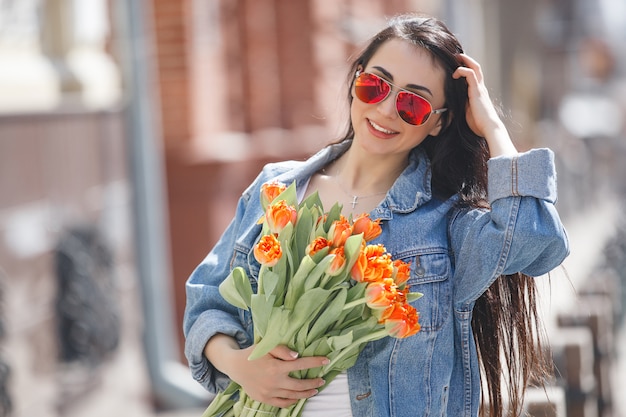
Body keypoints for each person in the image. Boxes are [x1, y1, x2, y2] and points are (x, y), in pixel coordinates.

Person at [183, 13, 569, 417]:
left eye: (413, 104)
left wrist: (491, 125)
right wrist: (240, 366)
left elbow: (534, 238)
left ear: (439, 123)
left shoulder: (445, 225)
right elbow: (206, 306)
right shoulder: (277, 192)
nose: (386, 110)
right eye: (375, 85)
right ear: (355, 81)